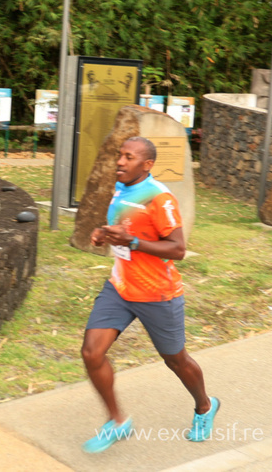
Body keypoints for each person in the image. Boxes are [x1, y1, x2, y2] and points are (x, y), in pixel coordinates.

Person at [80, 136, 218, 453]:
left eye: (129, 157)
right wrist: (104, 233)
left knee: (176, 360)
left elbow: (178, 249)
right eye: (120, 155)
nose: (120, 161)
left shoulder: (160, 198)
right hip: (120, 287)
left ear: (147, 164)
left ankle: (205, 406)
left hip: (158, 293)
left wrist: (132, 243)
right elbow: (126, 228)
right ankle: (117, 421)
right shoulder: (121, 187)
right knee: (91, 353)